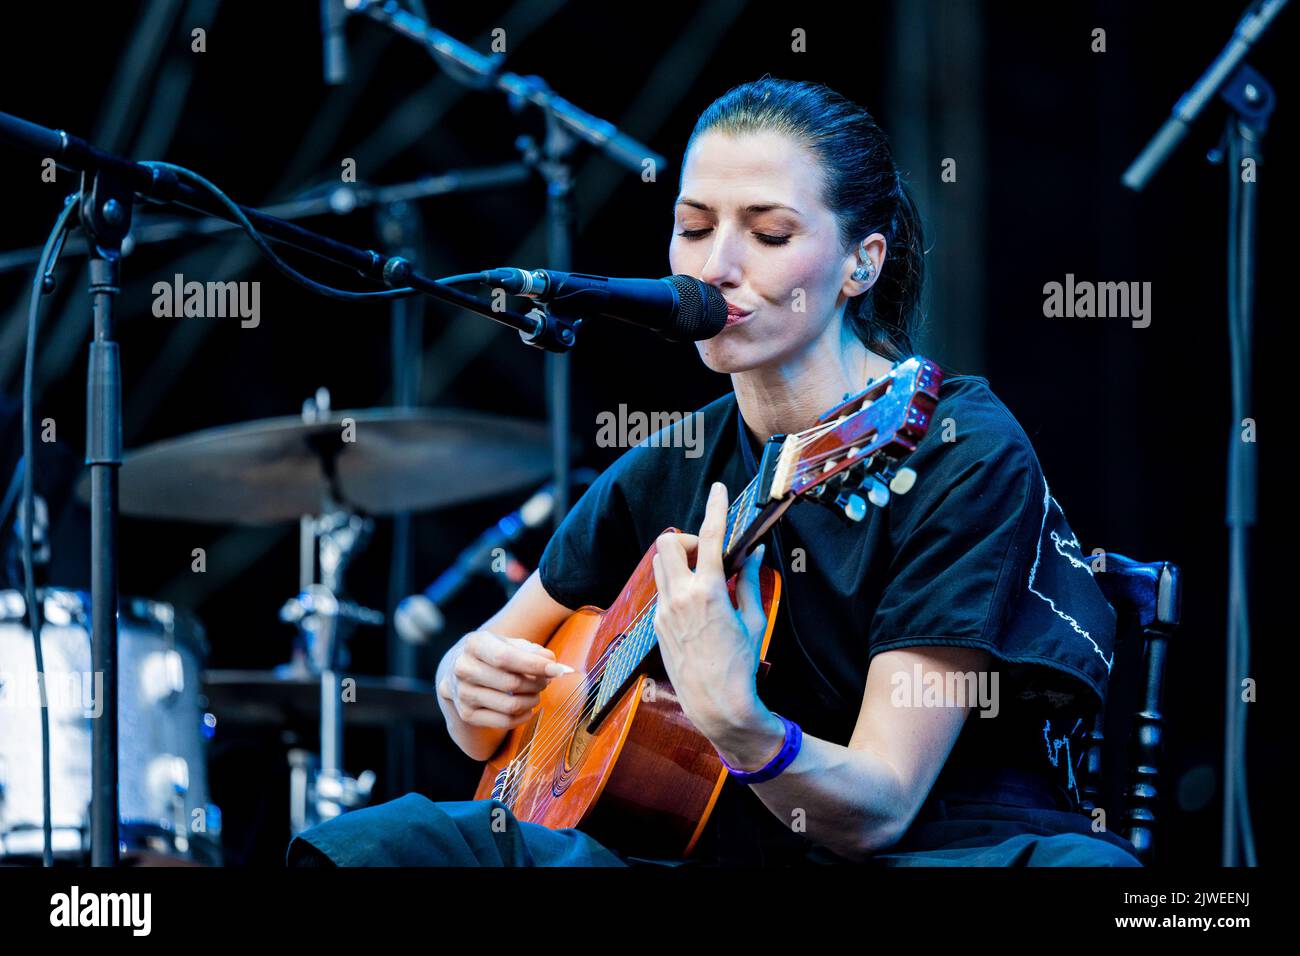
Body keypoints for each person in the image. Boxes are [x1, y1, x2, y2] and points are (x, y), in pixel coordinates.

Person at [287, 77, 1141, 868]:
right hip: (711, 853)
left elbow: (880, 807)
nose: (714, 266)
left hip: (930, 850)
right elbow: (492, 708)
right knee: (388, 845)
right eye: (694, 228)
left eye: (768, 233)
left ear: (861, 263)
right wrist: (461, 686)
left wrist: (739, 723)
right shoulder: (667, 464)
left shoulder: (958, 450)